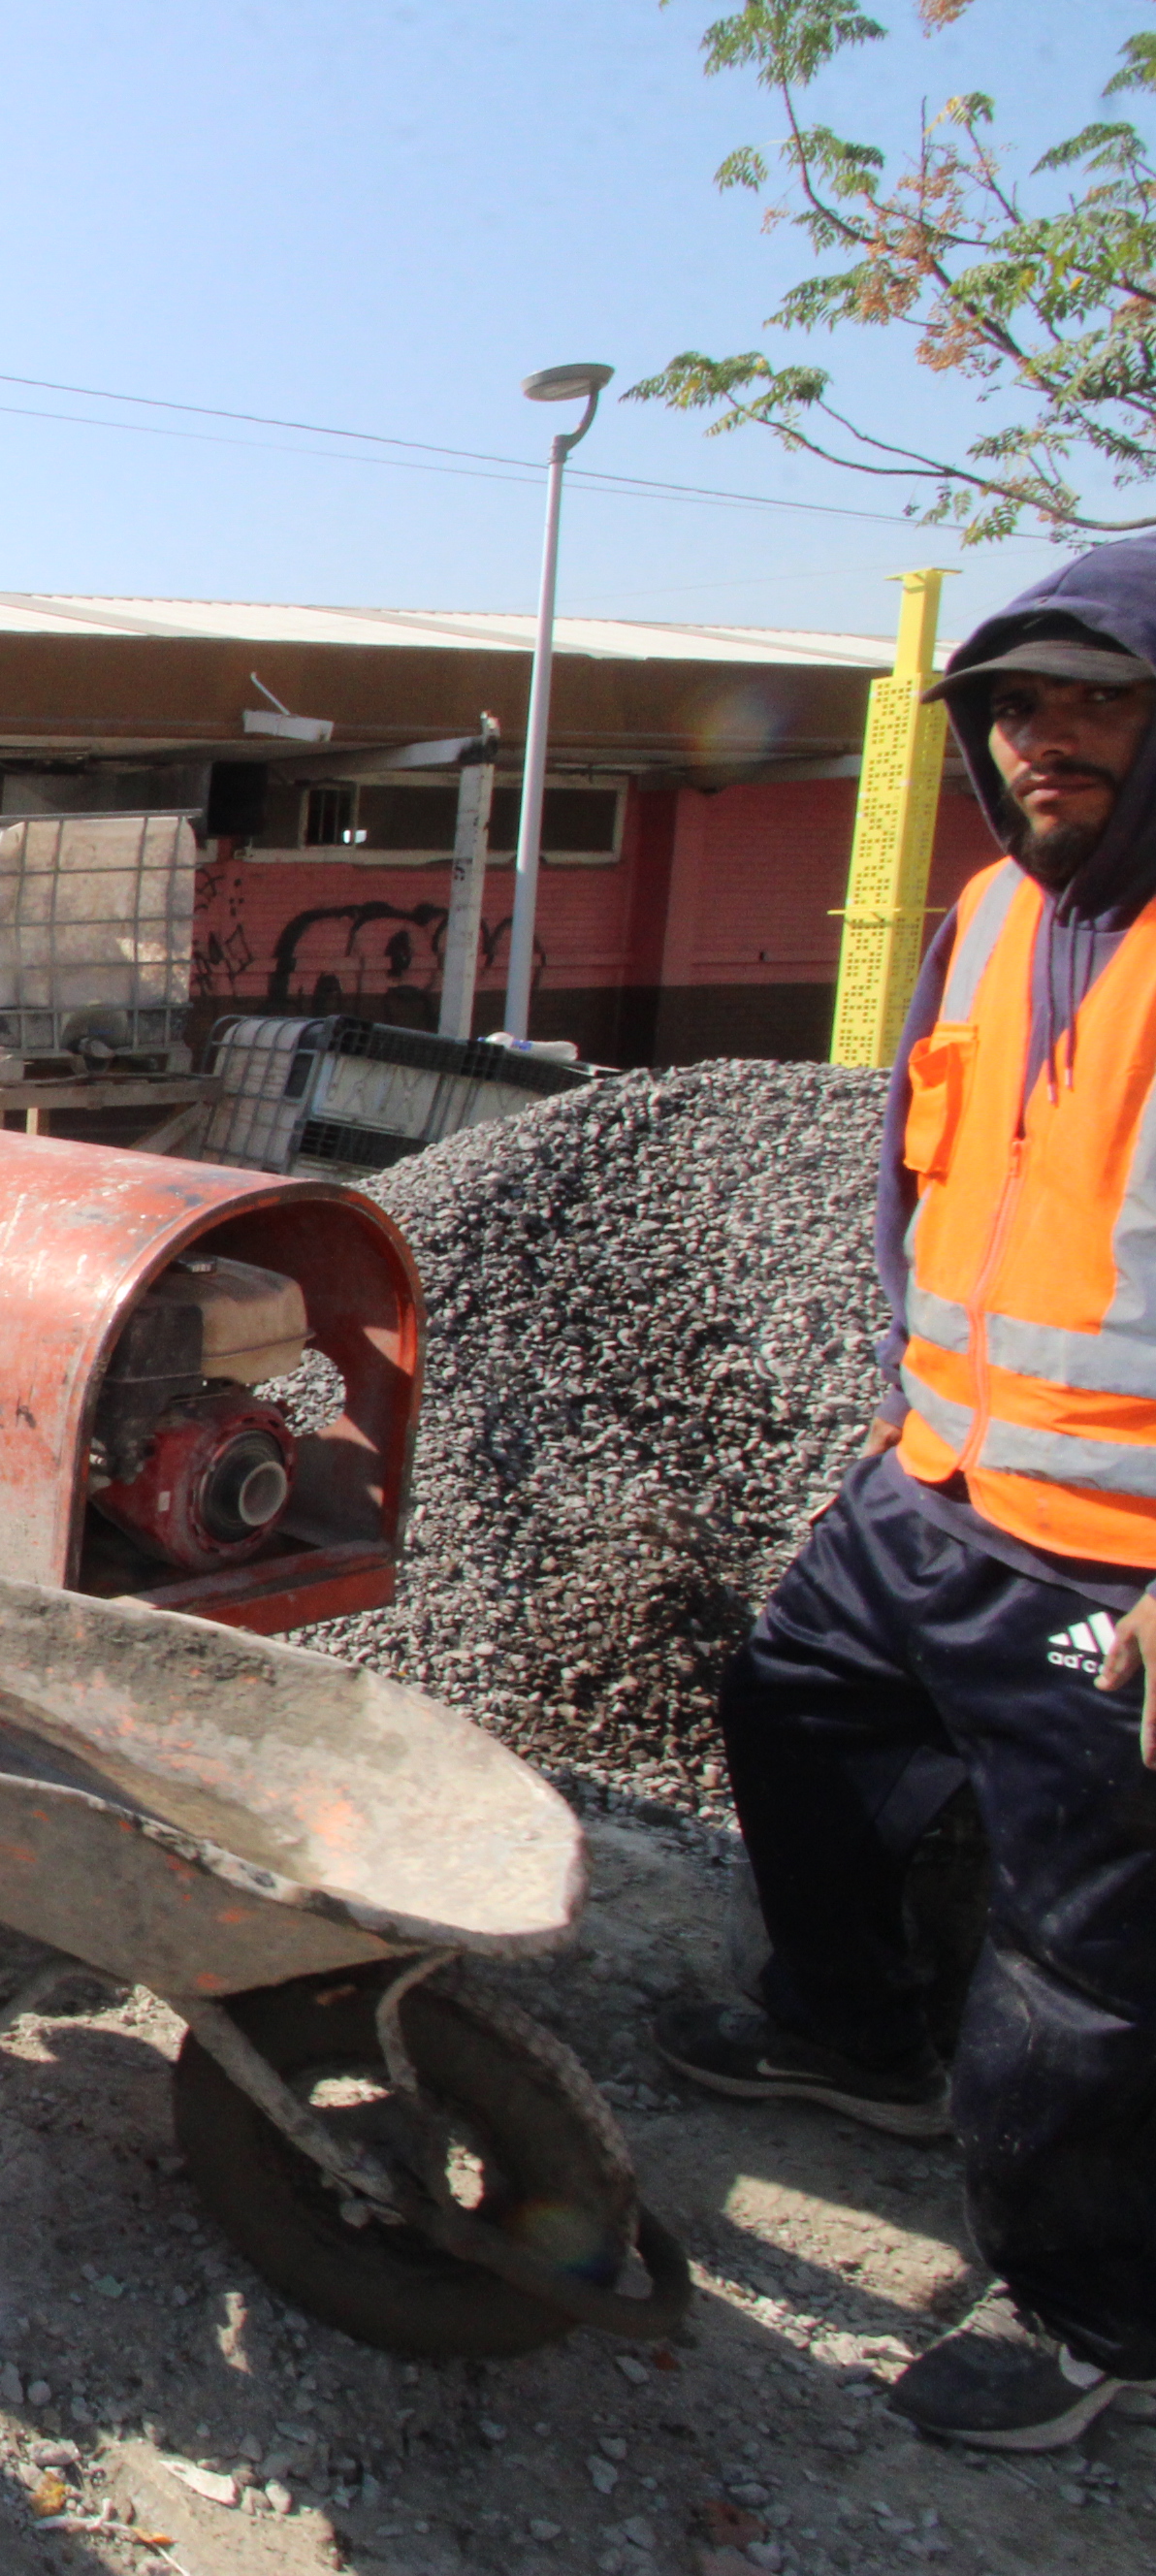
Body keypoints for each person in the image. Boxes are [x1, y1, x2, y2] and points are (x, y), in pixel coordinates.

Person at [654, 547, 1156, 2451]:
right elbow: (920, 1186)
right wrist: (902, 1414)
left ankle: (1098, 2318)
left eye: (1101, 700)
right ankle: (855, 2031)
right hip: (938, 1483)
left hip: (1119, 1554)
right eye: (1021, 709)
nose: (1050, 740)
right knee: (795, 1708)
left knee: (1082, 1967)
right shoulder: (994, 918)